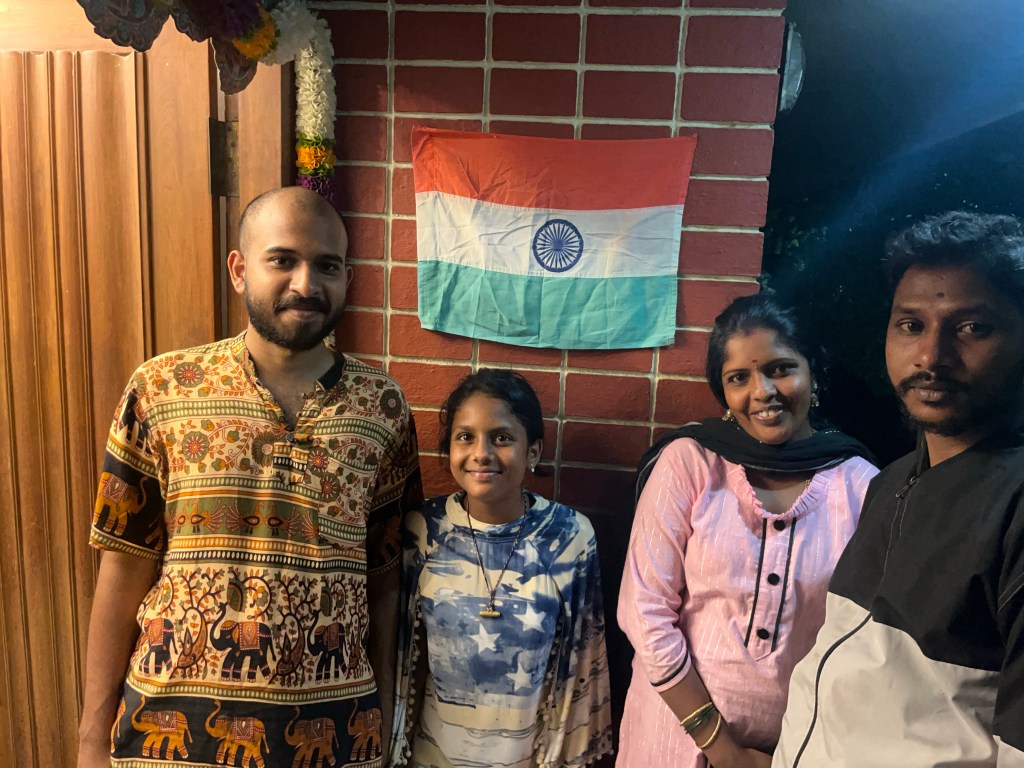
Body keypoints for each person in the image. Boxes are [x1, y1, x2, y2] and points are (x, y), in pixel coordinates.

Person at [77, 186, 422, 768]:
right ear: (239, 270)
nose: (306, 284)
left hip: (336, 734)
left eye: (327, 266)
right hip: (170, 733)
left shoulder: (382, 406)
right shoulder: (162, 388)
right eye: (282, 259)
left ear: (347, 278)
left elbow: (386, 581)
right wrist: (91, 734)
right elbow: (123, 562)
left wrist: (384, 721)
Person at [773, 211, 1024, 766]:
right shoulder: (890, 480)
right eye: (911, 325)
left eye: (972, 327)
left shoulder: (1014, 507)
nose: (931, 356)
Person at [617, 294, 878, 768]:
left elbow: (863, 639)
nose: (762, 392)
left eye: (780, 369)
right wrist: (724, 750)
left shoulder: (860, 485)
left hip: (796, 751)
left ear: (812, 372)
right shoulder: (692, 462)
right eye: (739, 378)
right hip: (671, 740)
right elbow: (644, 610)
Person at [389, 369, 613, 768]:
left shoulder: (569, 537)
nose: (482, 453)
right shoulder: (423, 529)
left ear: (533, 452)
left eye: (502, 438)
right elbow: (406, 658)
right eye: (465, 437)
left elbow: (583, 663)